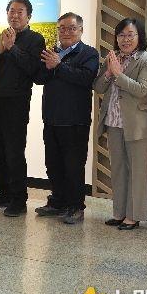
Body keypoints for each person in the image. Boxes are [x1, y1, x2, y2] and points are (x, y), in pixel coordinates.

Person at [0, 0, 45, 217]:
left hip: (17, 101)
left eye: (20, 12)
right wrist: (0, 51)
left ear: (29, 16)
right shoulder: (2, 35)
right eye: (11, 11)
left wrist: (12, 48)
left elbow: (33, 68)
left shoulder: (35, 39)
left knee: (14, 150)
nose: (15, 15)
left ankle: (19, 199)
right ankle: (4, 192)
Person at [93, 18, 147, 231]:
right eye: (121, 35)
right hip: (113, 121)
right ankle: (119, 213)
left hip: (137, 124)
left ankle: (134, 216)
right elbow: (99, 87)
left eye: (130, 35)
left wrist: (118, 74)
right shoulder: (112, 57)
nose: (125, 39)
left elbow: (142, 90)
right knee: (118, 169)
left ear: (140, 37)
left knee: (137, 171)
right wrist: (109, 73)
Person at [36, 13, 99, 224]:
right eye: (62, 28)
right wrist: (49, 66)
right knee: (53, 164)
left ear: (81, 30)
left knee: (73, 166)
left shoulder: (89, 53)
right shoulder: (51, 52)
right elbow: (39, 78)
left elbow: (85, 79)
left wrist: (59, 66)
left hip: (75, 120)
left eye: (72, 28)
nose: (66, 32)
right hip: (51, 118)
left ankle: (75, 206)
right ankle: (57, 202)